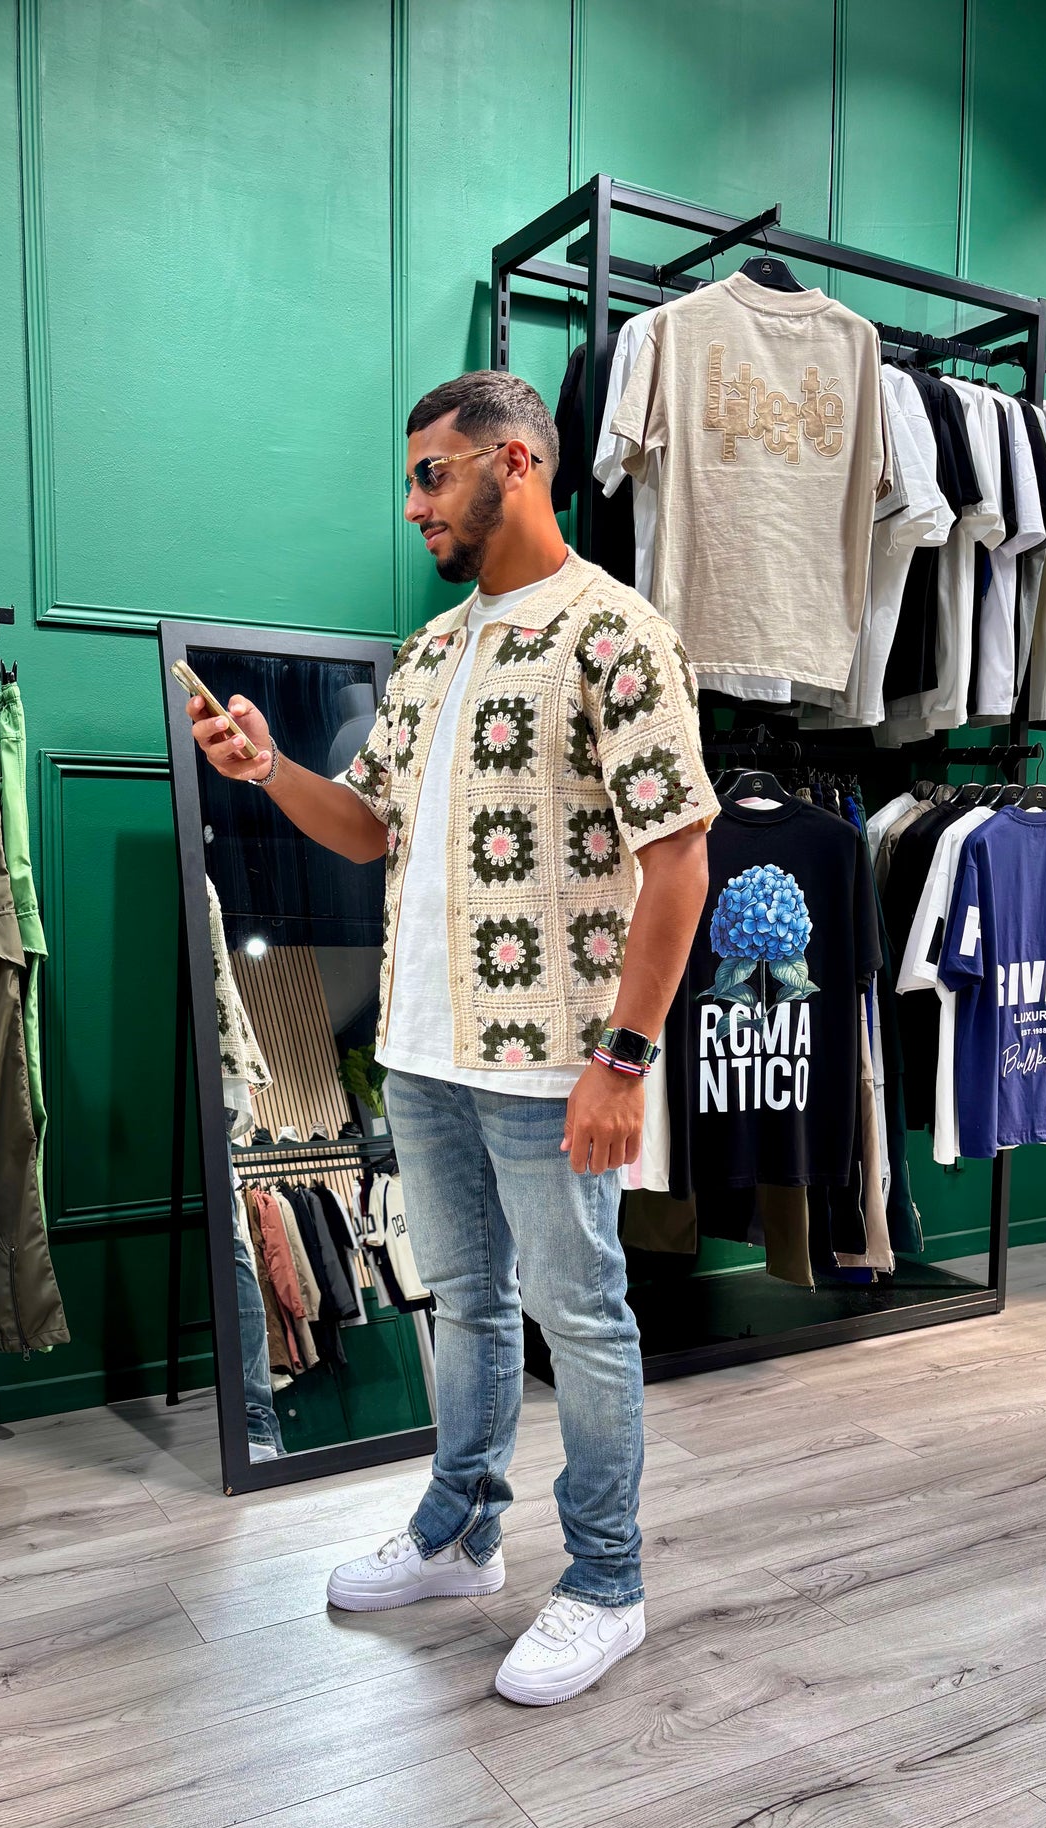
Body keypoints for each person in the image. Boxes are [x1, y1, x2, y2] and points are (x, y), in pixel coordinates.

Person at [187, 369, 714, 1705]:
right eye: (413, 479)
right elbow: (369, 829)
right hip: (421, 1051)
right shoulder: (428, 654)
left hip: (551, 1062)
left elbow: (679, 860)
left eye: (434, 473)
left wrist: (624, 1058)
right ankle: (460, 1532)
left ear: (516, 462)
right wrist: (267, 770)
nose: (415, 503)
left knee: (579, 1315)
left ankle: (606, 1583)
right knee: (465, 1303)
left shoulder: (614, 633)